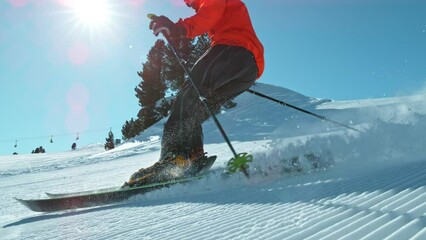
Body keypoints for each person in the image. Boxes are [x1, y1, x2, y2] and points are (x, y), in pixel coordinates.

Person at [124, 0, 264, 187]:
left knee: (188, 97)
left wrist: (175, 28)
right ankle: (192, 156)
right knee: (197, 108)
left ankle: (173, 159)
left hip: (234, 49)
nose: (188, 3)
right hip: (249, 68)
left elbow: (207, 17)